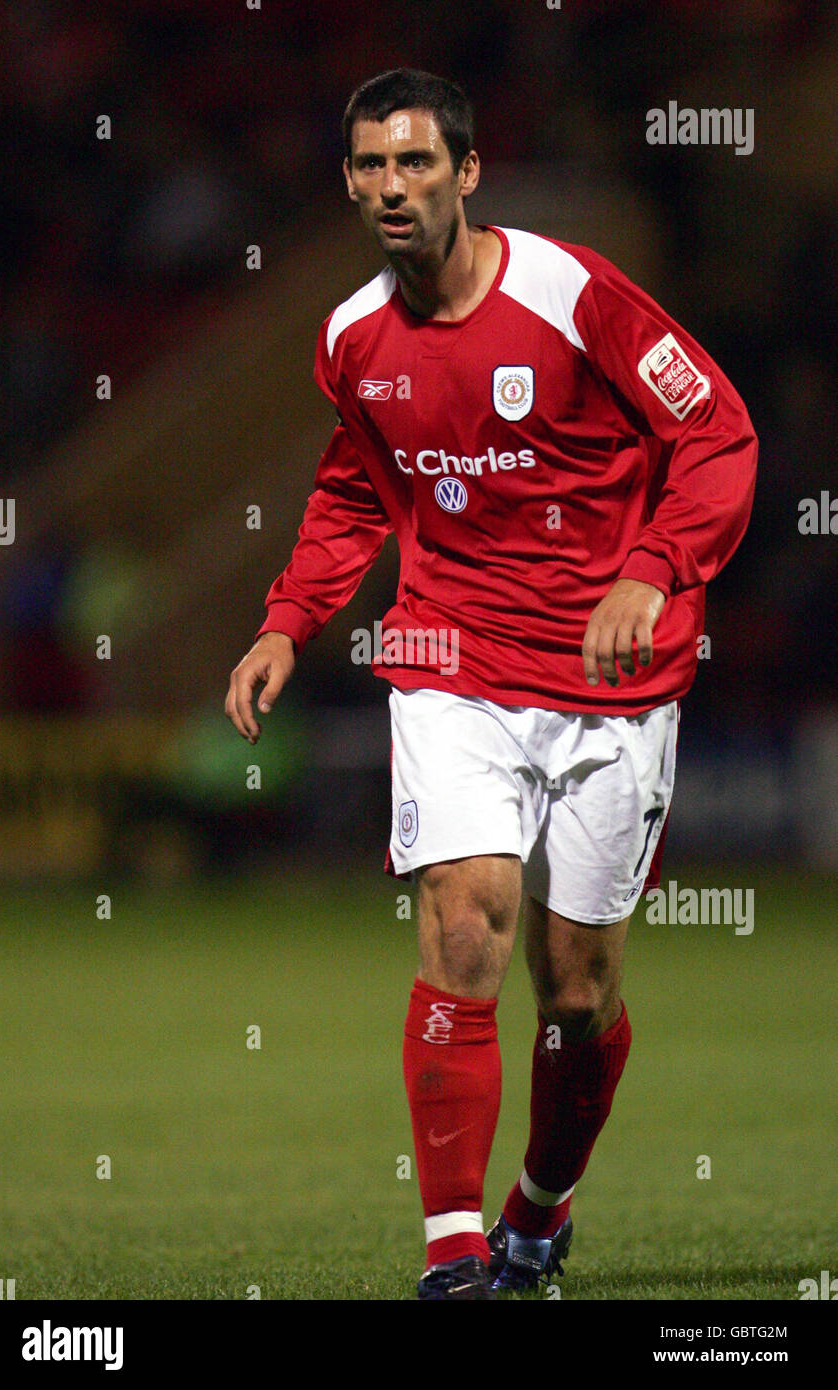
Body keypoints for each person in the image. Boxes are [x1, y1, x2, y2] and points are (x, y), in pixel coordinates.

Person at [224, 67, 757, 1300]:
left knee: (574, 992)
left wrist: (653, 568)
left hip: (609, 674)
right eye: (368, 167)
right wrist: (287, 621)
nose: (390, 188)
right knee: (462, 921)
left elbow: (715, 432)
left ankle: (538, 1207)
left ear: (464, 173)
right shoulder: (351, 338)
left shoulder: (573, 296)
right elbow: (356, 486)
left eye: (414, 163)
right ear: (348, 183)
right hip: (449, 656)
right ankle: (453, 1252)